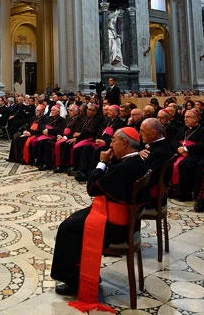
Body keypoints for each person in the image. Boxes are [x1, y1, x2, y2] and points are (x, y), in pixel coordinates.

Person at [50, 127, 148, 306]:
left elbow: (92, 188)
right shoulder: (136, 162)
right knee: (74, 219)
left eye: (114, 141)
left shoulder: (125, 168)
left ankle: (75, 281)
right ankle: (82, 272)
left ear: (124, 143)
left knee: (67, 229)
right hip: (124, 219)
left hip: (114, 227)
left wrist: (102, 163)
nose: (111, 144)